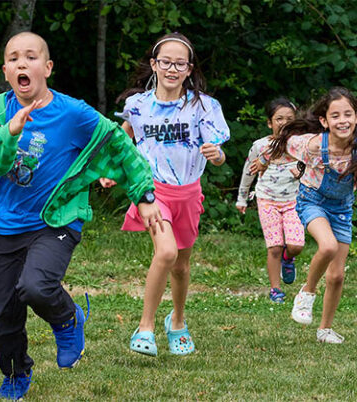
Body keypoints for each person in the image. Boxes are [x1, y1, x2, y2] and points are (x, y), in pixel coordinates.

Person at [0, 31, 161, 399]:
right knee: (0, 312)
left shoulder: (73, 113)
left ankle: (68, 318)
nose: (21, 63)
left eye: (30, 57)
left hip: (56, 220)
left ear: (47, 67)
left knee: (35, 286)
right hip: (9, 225)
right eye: (13, 58)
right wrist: (10, 132)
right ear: (6, 71)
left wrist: (145, 194)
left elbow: (119, 146)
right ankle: (16, 374)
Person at [103, 32, 230, 357]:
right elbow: (122, 139)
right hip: (152, 190)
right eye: (165, 62)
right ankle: (145, 326)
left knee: (181, 265)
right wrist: (112, 170)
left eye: (179, 64)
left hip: (188, 193)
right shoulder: (138, 106)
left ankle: (177, 320)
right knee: (166, 253)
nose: (172, 69)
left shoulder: (203, 106)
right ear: (154, 65)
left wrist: (216, 155)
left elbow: (218, 152)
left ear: (189, 69)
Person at [267, 87, 357, 344]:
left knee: (337, 275)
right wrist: (271, 160)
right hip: (313, 201)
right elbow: (285, 142)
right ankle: (306, 294)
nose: (342, 121)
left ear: (356, 117)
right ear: (324, 121)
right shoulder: (311, 145)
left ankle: (325, 330)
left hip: (342, 208)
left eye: (348, 115)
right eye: (335, 116)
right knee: (327, 245)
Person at [236, 97, 304, 303]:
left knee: (296, 245)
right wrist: (242, 198)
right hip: (267, 200)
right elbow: (249, 171)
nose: (284, 123)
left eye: (289, 119)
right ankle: (276, 289)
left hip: (294, 201)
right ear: (269, 122)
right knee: (274, 246)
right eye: (279, 118)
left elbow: (315, 167)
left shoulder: (301, 145)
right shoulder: (261, 146)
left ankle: (288, 258)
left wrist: (301, 169)